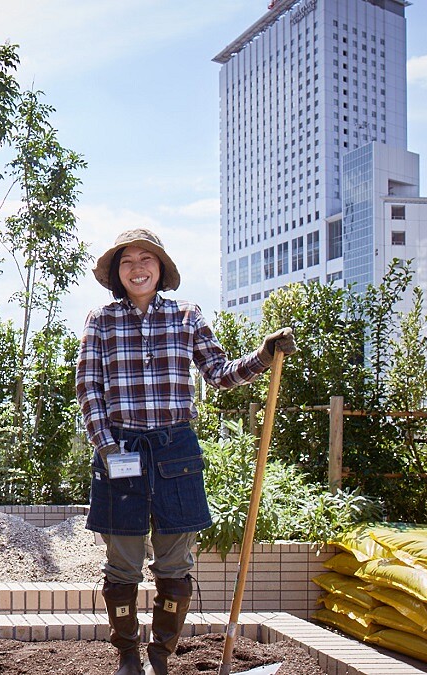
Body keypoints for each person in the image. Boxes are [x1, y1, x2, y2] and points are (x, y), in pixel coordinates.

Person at [75, 229, 296, 675]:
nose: (137, 268)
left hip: (176, 451)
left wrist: (263, 354)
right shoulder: (101, 320)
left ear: (160, 267)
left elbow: (218, 372)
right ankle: (128, 657)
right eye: (127, 262)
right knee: (122, 565)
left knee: (175, 565)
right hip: (121, 448)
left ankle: (161, 656)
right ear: (118, 274)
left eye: (146, 259)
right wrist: (106, 446)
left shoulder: (186, 315)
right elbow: (88, 388)